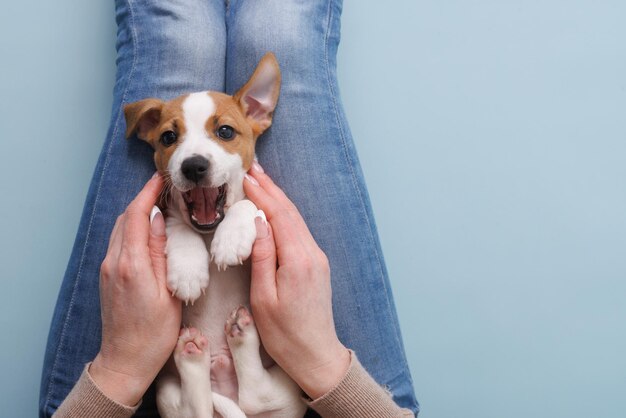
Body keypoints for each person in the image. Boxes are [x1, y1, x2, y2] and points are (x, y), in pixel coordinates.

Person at [39, 0, 419, 416]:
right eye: (171, 138)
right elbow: (254, 220)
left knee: (178, 39)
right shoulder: (240, 187)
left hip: (171, 390)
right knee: (280, 29)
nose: (194, 157)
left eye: (222, 132)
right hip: (288, 387)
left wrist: (120, 368)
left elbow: (163, 233)